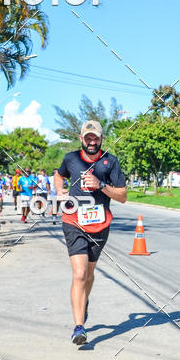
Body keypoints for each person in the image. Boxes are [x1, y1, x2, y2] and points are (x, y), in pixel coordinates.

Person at [55, 120, 127, 345]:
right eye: (88, 138)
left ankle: (83, 300)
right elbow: (59, 174)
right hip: (73, 221)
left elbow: (123, 196)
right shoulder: (71, 159)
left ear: (101, 138)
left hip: (100, 224)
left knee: (89, 273)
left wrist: (100, 185)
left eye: (95, 137)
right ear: (81, 138)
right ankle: (79, 327)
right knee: (79, 274)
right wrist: (60, 190)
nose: (92, 141)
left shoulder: (110, 161)